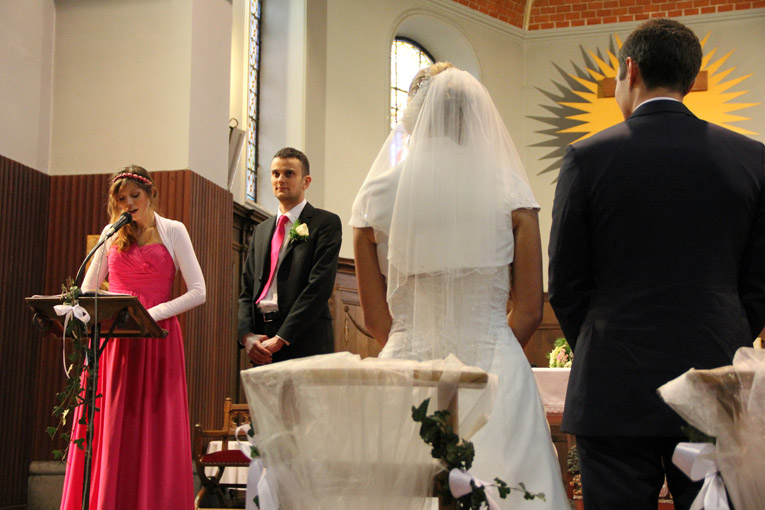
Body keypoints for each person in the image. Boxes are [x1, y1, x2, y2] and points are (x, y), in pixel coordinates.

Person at [548, 18, 765, 510]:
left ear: (630, 70)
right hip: (715, 381)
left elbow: (565, 283)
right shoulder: (751, 159)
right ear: (689, 77)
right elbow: (758, 283)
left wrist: (602, 341)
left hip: (613, 384)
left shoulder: (586, 157)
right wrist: (725, 337)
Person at [351, 63, 569, 509]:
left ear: (411, 116)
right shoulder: (511, 190)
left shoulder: (374, 197)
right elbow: (530, 309)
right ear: (474, 117)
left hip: (406, 369)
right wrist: (490, 349)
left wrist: (414, 348)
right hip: (495, 369)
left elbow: (376, 320)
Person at [61, 165, 206, 510]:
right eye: (121, 199)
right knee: (112, 423)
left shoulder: (173, 230)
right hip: (114, 339)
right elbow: (88, 289)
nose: (128, 204)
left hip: (156, 338)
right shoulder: (111, 233)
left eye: (134, 196)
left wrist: (150, 313)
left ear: (151, 193)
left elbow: (199, 291)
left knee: (153, 423)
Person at [238, 147, 342, 365]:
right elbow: (247, 290)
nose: (280, 179)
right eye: (275, 174)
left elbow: (319, 287)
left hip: (304, 337)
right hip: (262, 339)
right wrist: (247, 336)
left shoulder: (324, 223)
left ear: (306, 181)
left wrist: (282, 337)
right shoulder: (261, 230)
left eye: (289, 173)